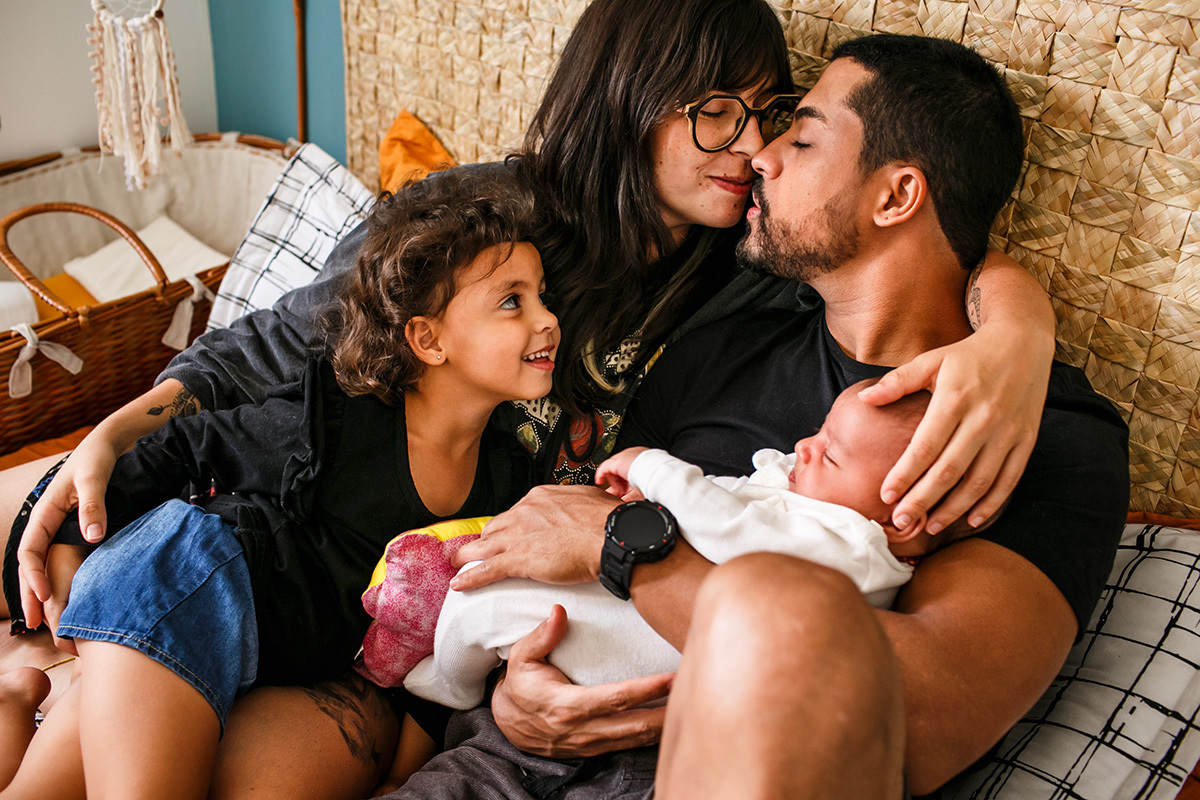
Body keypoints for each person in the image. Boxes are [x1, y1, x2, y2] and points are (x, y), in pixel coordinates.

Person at [4, 0, 1057, 793]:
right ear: (631, 102)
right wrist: (115, 427)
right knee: (61, 562)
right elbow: (279, 340)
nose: (753, 151)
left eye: (772, 120)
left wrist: (1015, 326)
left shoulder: (746, 278)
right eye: (717, 114)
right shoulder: (494, 216)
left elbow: (900, 263)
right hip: (271, 517)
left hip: (397, 627)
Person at [406, 33, 1129, 800]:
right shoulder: (725, 330)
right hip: (501, 758)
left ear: (895, 196)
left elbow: (927, 712)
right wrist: (514, 699)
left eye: (803, 137)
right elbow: (564, 555)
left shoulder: (1046, 434)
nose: (761, 155)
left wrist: (621, 548)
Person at [0, 169, 557, 799]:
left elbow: (453, 630)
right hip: (181, 587)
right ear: (427, 339)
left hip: (261, 655)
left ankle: (18, 703)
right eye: (513, 301)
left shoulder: (507, 478)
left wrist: (406, 767)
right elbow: (187, 444)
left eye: (543, 296)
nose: (547, 320)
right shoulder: (336, 417)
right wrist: (76, 537)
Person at [371, 382, 969, 713]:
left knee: (496, 609)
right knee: (516, 583)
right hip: (646, 618)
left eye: (831, 454)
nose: (805, 448)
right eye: (819, 434)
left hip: (661, 657)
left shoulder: (858, 547)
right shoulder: (831, 504)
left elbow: (737, 532)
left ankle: (449, 679)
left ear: (903, 522)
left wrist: (658, 473)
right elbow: (741, 494)